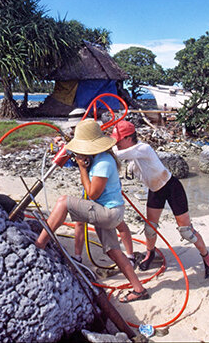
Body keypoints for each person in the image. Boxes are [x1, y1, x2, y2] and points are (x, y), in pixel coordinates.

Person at [35, 119, 149, 303]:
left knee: (63, 202)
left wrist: (81, 167)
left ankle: (39, 244)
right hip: (112, 211)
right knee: (113, 251)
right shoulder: (100, 157)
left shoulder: (103, 163)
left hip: (108, 212)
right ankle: (139, 289)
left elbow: (92, 194)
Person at [111, 120, 209, 279]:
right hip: (155, 191)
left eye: (118, 141)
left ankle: (207, 258)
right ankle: (150, 254)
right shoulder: (132, 159)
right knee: (149, 228)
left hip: (172, 188)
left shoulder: (144, 148)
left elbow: (115, 154)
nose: (116, 144)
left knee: (187, 231)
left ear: (128, 138)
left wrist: (100, 147)